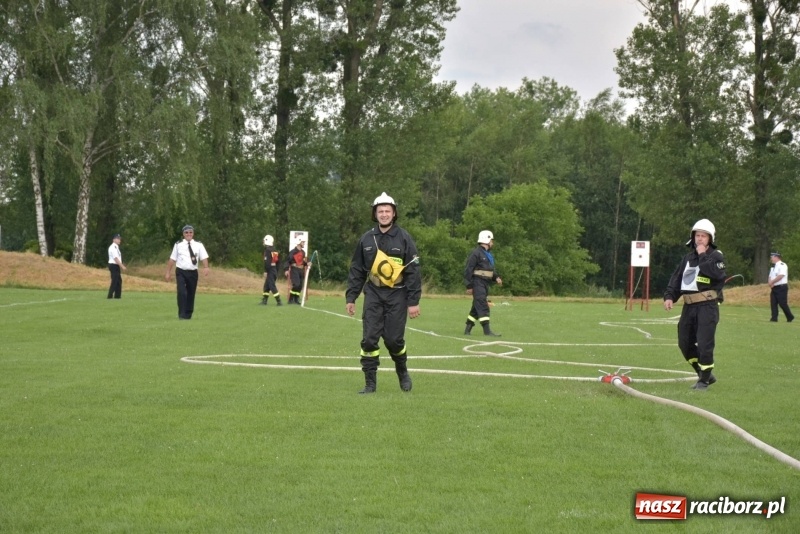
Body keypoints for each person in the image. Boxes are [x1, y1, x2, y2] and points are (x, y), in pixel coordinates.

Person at [346, 192, 421, 394]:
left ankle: (402, 371)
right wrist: (351, 297)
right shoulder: (366, 239)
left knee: (393, 340)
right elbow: (357, 270)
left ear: (394, 213)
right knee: (369, 339)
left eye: (388, 211)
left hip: (398, 295)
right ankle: (370, 383)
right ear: (375, 214)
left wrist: (413, 301)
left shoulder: (405, 238)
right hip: (373, 294)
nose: (384, 214)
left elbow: (413, 271)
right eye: (381, 211)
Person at [663, 219, 727, 390]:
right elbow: (677, 279)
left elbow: (715, 274)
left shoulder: (716, 257)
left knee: (705, 343)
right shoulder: (687, 258)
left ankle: (704, 381)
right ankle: (703, 373)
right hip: (689, 306)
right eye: (697, 236)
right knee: (684, 342)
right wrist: (670, 296)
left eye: (703, 236)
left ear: (710, 239)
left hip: (707, 306)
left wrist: (702, 255)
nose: (699, 239)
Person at [165, 225, 210, 320]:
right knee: (182, 292)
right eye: (186, 232)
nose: (188, 234)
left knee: (191, 293)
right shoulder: (178, 245)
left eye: (190, 232)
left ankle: (188, 314)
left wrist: (206, 267)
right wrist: (168, 272)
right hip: (181, 271)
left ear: (193, 233)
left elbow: (204, 257)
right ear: (183, 234)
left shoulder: (199, 245)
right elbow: (172, 259)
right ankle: (181, 314)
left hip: (193, 272)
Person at [464, 230, 503, 336]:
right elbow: (468, 270)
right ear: (487, 240)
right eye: (491, 240)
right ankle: (487, 331)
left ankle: (467, 329)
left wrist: (496, 278)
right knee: (482, 305)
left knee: (476, 308)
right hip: (477, 283)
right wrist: (469, 285)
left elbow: (490, 270)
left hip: (484, 284)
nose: (492, 243)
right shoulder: (476, 253)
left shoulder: (487, 255)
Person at [768, 252, 794, 323]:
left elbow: (781, 276)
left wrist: (772, 282)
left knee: (782, 303)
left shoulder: (782, 265)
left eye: (772, 257)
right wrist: (770, 283)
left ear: (776, 257)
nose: (771, 258)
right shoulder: (773, 266)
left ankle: (790, 317)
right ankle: (774, 318)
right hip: (774, 287)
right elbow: (770, 276)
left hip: (781, 287)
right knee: (773, 302)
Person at [260, 234, 282, 306]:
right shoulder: (275, 250)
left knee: (271, 285)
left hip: (270, 270)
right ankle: (264, 300)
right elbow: (278, 262)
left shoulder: (267, 251)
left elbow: (267, 262)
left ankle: (279, 301)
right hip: (274, 269)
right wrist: (276, 271)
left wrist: (266, 271)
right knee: (266, 286)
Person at [285, 239, 308, 305]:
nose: (304, 243)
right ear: (299, 242)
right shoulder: (292, 252)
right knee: (296, 284)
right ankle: (290, 299)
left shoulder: (303, 252)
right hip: (294, 269)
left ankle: (296, 299)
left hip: (301, 270)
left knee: (300, 286)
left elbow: (302, 262)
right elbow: (287, 261)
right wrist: (286, 269)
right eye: (303, 242)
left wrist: (307, 263)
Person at [107, 233, 126, 299]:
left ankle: (117, 296)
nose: (119, 240)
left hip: (116, 265)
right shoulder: (113, 247)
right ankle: (110, 296)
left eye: (119, 239)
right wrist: (122, 266)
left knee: (118, 281)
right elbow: (115, 258)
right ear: (114, 239)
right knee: (115, 281)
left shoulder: (116, 247)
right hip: (114, 265)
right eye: (118, 239)